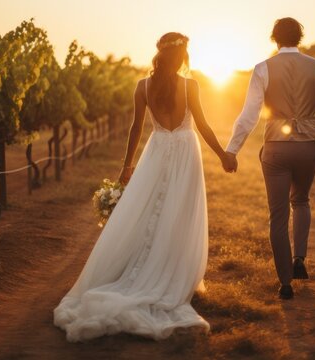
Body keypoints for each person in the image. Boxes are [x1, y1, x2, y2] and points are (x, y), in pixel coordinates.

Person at [54, 32, 232, 341]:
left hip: (157, 151)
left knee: (150, 209)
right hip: (186, 153)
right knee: (178, 214)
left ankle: (145, 267)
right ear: (182, 57)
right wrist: (223, 155)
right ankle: (170, 272)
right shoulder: (191, 86)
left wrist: (127, 166)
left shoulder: (142, 86)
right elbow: (202, 125)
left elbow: (136, 128)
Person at [223, 17, 315, 300]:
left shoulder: (263, 68)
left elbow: (249, 115)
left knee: (277, 215)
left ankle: (285, 282)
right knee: (301, 200)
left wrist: (232, 149)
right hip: (308, 146)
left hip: (275, 146)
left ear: (274, 38)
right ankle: (300, 257)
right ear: (299, 38)